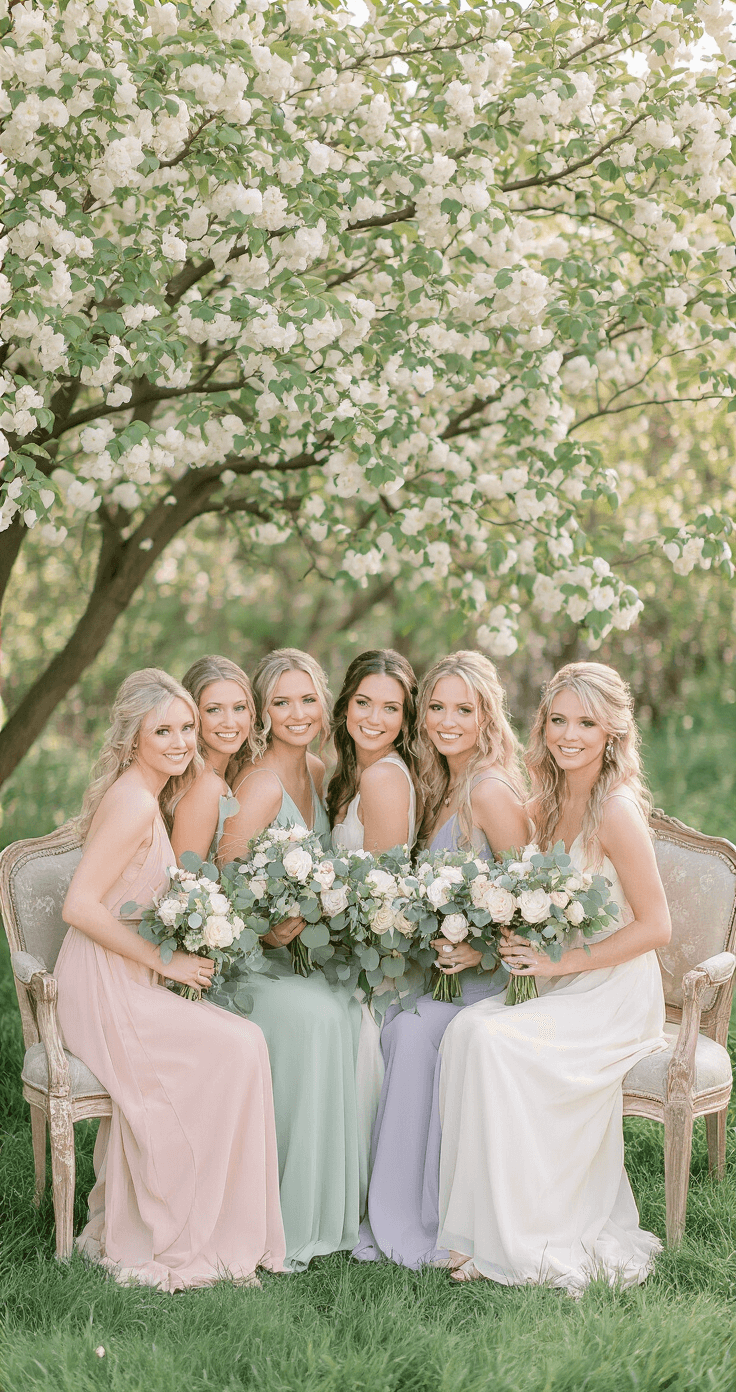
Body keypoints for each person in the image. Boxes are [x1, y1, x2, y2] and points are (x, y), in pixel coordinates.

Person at [437, 661, 670, 1292]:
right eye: (558, 720)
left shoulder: (615, 811)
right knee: (465, 1031)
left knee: (494, 1041)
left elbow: (657, 926)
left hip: (614, 990)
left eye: (586, 723)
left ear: (612, 732)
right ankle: (478, 1231)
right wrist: (480, 942)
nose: (569, 735)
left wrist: (564, 962)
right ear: (542, 726)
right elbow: (522, 893)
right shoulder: (544, 802)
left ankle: (532, 1232)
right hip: (561, 980)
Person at [55, 669, 285, 1291]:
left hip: (127, 975)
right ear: (133, 738)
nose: (182, 741)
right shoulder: (134, 802)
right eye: (164, 731)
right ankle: (182, 1229)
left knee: (242, 1044)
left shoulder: (148, 792)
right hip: (103, 986)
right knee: (239, 1046)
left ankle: (215, 1221)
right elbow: (79, 906)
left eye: (187, 727)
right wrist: (167, 963)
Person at [356, 651, 528, 1268]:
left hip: (496, 981)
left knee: (412, 1029)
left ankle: (420, 1220)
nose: (447, 721)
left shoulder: (490, 791)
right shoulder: (441, 785)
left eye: (464, 709)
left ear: (487, 716)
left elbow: (532, 900)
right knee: (393, 1019)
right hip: (449, 975)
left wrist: (480, 948)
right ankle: (389, 1206)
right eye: (436, 707)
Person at [216, 649, 365, 1271]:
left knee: (351, 1006)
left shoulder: (318, 769)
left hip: (298, 956)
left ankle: (337, 1205)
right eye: (281, 702)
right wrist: (269, 931)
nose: (297, 713)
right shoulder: (258, 785)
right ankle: (288, 1213)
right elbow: (220, 889)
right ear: (262, 713)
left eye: (307, 699)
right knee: (318, 1017)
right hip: (246, 965)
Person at [328, 649, 421, 1213]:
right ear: (346, 705)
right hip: (349, 943)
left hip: (373, 959)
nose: (374, 718)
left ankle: (354, 1186)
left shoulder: (384, 777)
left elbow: (380, 898)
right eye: (364, 702)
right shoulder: (354, 773)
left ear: (406, 720)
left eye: (391, 708)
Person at [171, 654, 261, 864]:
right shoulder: (205, 786)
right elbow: (182, 877)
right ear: (192, 715)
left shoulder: (225, 771)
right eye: (214, 710)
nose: (230, 722)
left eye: (239, 708)